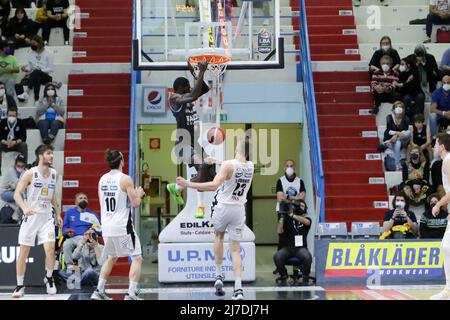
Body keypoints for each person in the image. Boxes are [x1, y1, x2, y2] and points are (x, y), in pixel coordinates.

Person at [176, 138, 254, 300]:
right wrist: (218, 161)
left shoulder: (228, 166)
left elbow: (213, 186)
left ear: (236, 149)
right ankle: (238, 289)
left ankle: (218, 276)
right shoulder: (251, 166)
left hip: (223, 207)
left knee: (218, 236)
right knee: (235, 249)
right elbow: (234, 165)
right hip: (239, 209)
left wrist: (188, 184)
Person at [91, 149, 146, 300]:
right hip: (122, 227)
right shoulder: (125, 179)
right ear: (121, 161)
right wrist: (139, 194)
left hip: (107, 226)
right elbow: (135, 204)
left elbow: (103, 201)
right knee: (137, 257)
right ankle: (131, 293)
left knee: (112, 257)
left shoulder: (102, 179)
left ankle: (99, 291)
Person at [166, 60, 216, 219]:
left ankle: (179, 187)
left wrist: (195, 71)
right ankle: (199, 206)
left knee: (211, 172)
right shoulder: (174, 98)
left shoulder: (188, 95)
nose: (189, 88)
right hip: (183, 144)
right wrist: (201, 71)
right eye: (187, 86)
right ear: (180, 89)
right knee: (202, 167)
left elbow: (204, 89)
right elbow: (194, 93)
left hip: (195, 143)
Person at [11, 144, 62, 298]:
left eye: (52, 153)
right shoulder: (29, 174)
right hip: (31, 216)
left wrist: (58, 214)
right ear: (41, 156)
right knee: (23, 252)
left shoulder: (54, 173)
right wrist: (24, 207)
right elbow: (17, 194)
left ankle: (48, 277)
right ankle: (20, 285)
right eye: (48, 153)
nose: (52, 156)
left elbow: (53, 195)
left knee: (50, 250)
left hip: (47, 217)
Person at [430, 133, 450, 299]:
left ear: (442, 146)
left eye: (436, 144)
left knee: (446, 246)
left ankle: (448, 290)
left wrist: (438, 204)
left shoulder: (448, 161)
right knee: (446, 246)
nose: (435, 147)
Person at [273, 199, 312, 286]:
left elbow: (307, 222)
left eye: (303, 206)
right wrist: (282, 216)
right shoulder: (287, 219)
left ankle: (304, 276)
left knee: (307, 256)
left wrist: (293, 215)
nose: (301, 208)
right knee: (277, 256)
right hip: (288, 248)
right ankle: (285, 276)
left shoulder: (306, 219)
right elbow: (279, 231)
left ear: (305, 209)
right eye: (299, 206)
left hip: (301, 248)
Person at [62, 192, 101, 268]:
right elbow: (64, 228)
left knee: (84, 249)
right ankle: (70, 266)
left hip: (86, 238)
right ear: (76, 202)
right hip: (72, 237)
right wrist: (67, 233)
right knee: (66, 244)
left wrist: (92, 230)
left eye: (85, 198)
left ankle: (83, 269)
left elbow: (100, 228)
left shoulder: (92, 214)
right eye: (81, 198)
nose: (83, 199)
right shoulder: (69, 213)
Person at [17, 35, 54, 102]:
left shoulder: (49, 53)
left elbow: (51, 69)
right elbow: (30, 67)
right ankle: (36, 100)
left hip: (46, 77)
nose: (32, 45)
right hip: (35, 76)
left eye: (34, 44)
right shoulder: (31, 53)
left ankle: (26, 92)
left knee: (37, 72)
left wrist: (40, 70)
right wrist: (26, 69)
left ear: (39, 43)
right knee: (37, 77)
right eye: (31, 44)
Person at [379, 101, 411, 170]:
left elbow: (404, 132)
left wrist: (396, 136)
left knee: (408, 132)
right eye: (397, 107)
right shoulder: (389, 117)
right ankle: (397, 164)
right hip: (392, 141)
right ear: (394, 109)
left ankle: (397, 163)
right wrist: (397, 133)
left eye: (401, 107)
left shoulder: (406, 118)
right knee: (398, 143)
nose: (399, 108)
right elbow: (389, 131)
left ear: (403, 109)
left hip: (402, 140)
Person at [394, 57, 425, 121]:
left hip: (417, 92)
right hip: (407, 93)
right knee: (406, 98)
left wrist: (402, 84)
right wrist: (405, 82)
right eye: (400, 64)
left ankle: (420, 119)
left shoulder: (414, 72)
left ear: (408, 65)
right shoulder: (401, 74)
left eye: (402, 64)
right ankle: (406, 119)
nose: (400, 66)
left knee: (420, 97)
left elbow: (412, 84)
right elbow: (401, 87)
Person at [0, 107, 27, 173]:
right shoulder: (3, 122)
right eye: (10, 115)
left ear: (17, 116)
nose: (11, 117)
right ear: (7, 115)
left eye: (13, 116)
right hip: (5, 144)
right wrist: (6, 142)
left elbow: (23, 137)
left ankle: (24, 167)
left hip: (16, 144)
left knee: (23, 145)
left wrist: (15, 142)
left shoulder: (20, 122)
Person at [0, 154, 26, 219]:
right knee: (20, 196)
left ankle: (19, 216)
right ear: (15, 164)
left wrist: (11, 186)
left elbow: (22, 186)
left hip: (14, 192)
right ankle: (19, 217)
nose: (20, 167)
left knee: (22, 197)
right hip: (5, 193)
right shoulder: (11, 170)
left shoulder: (25, 171)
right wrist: (14, 186)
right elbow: (19, 184)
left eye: (22, 166)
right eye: (18, 165)